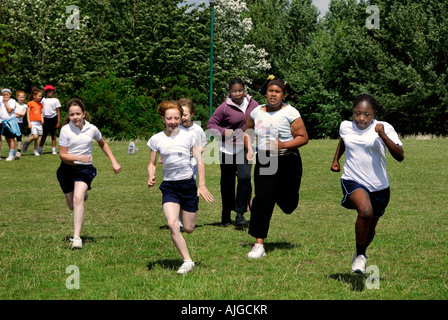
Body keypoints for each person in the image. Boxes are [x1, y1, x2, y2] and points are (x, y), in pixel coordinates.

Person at [330, 93, 404, 274]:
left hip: (379, 186)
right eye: (357, 113)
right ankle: (361, 256)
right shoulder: (345, 126)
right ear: (353, 112)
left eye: (366, 114)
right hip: (352, 179)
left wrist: (383, 136)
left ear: (373, 114)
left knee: (371, 225)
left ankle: (359, 254)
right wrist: (335, 160)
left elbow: (400, 156)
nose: (361, 118)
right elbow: (344, 141)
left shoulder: (384, 127)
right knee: (365, 212)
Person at [243, 77, 308, 259]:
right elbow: (247, 131)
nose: (273, 94)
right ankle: (258, 244)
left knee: (288, 205)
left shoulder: (291, 112)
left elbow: (303, 137)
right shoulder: (256, 112)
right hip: (266, 159)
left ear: (283, 95)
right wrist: (249, 149)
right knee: (263, 199)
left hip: (288, 160)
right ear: (265, 92)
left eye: (277, 92)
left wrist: (281, 145)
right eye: (270, 91)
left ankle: (279, 194)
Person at [147, 100, 214, 274]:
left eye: (176, 117)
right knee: (172, 223)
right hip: (169, 186)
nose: (173, 121)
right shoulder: (156, 139)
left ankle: (187, 252)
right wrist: (151, 175)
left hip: (188, 185)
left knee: (189, 228)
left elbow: (200, 161)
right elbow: (152, 163)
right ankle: (187, 260)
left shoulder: (189, 136)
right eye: (169, 118)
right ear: (163, 118)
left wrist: (202, 184)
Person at [57, 98, 121, 249]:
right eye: (72, 114)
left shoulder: (92, 129)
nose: (75, 117)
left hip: (84, 168)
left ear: (84, 114)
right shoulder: (65, 130)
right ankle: (83, 194)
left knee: (78, 198)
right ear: (69, 115)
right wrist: (78, 157)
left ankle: (77, 238)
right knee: (72, 205)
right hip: (66, 169)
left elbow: (103, 143)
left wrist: (114, 161)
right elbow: (62, 155)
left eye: (78, 114)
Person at [207, 78, 259, 227]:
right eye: (234, 91)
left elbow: (259, 120)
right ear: (230, 92)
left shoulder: (253, 105)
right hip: (227, 149)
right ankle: (226, 214)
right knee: (227, 182)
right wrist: (223, 131)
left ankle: (240, 213)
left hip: (245, 147)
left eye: (240, 90)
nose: (238, 93)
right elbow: (210, 124)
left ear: (245, 90)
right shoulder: (224, 107)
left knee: (244, 178)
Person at [39, 85, 61, 155]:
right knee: (44, 134)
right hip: (45, 118)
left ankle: (54, 149)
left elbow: (58, 111)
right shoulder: (43, 100)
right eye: (47, 91)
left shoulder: (56, 100)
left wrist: (58, 122)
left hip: (53, 118)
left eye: (50, 91)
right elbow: (41, 109)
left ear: (53, 91)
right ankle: (40, 149)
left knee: (53, 134)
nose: (49, 92)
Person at [23, 87, 44, 156]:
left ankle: (35, 150)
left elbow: (41, 113)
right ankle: (27, 143)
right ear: (34, 96)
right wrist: (29, 122)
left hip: (39, 122)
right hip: (32, 122)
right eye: (39, 96)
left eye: (41, 96)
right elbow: (28, 113)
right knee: (35, 136)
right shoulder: (30, 103)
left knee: (37, 137)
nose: (40, 97)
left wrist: (42, 119)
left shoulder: (40, 104)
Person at [0, 88, 19, 161]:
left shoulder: (12, 101)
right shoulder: (1, 100)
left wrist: (6, 102)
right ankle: (12, 153)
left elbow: (9, 110)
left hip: (10, 122)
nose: (5, 96)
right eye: (4, 95)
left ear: (10, 95)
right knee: (7, 139)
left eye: (7, 94)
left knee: (11, 138)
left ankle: (11, 154)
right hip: (4, 122)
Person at [14, 91, 28, 158]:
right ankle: (12, 151)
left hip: (20, 123)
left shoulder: (25, 105)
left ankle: (19, 151)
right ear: (17, 97)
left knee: (19, 137)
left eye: (23, 97)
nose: (22, 98)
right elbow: (11, 112)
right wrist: (16, 114)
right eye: (20, 97)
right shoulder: (14, 104)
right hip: (13, 122)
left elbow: (23, 114)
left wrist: (16, 113)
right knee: (12, 137)